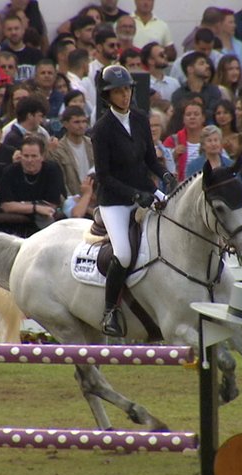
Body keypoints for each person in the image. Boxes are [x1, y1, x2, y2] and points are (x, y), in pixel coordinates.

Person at [91, 64, 176, 337]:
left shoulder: (140, 118)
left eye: (126, 89)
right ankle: (110, 311)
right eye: (118, 91)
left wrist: (165, 174)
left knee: (176, 220)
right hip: (115, 201)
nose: (124, 95)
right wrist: (133, 195)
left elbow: (150, 159)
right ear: (107, 96)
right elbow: (104, 176)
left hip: (144, 190)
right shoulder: (101, 130)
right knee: (124, 254)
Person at [48, 106, 94, 197]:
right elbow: (61, 183)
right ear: (65, 124)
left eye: (84, 122)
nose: (81, 126)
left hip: (94, 197)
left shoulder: (93, 145)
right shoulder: (58, 150)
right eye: (76, 122)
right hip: (72, 199)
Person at [163, 98, 206, 180]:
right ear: (183, 119)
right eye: (188, 114)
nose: (192, 117)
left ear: (203, 118)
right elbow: (160, 164)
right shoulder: (173, 140)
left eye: (196, 114)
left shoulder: (211, 139)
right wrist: (173, 155)